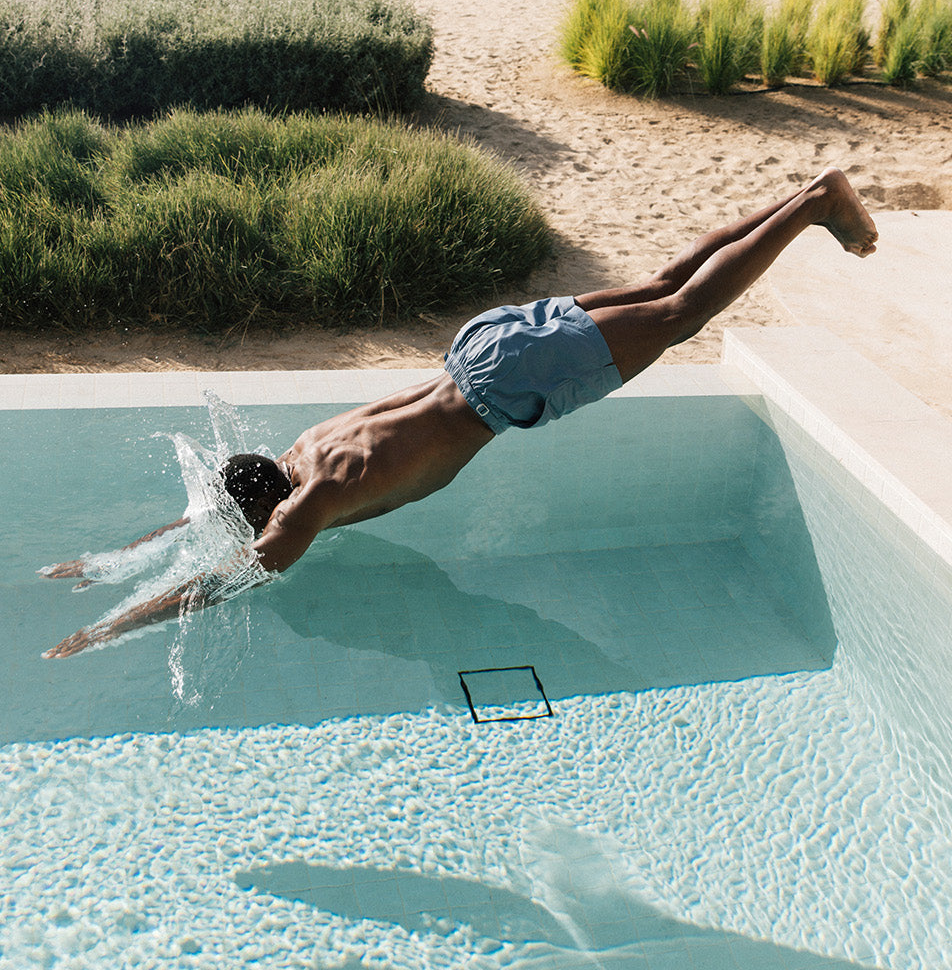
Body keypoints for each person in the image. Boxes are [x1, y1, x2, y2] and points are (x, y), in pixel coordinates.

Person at [43, 168, 877, 659]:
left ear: (266, 506)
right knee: (663, 286)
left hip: (505, 385)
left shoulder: (311, 502)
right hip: (477, 349)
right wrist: (106, 558)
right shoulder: (303, 449)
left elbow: (221, 587)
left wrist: (110, 628)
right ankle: (809, 197)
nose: (253, 532)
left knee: (684, 311)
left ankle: (811, 207)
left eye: (250, 522)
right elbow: (203, 514)